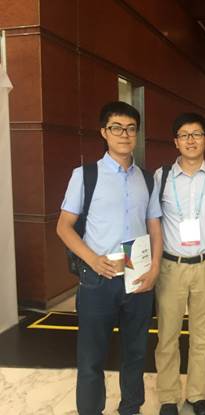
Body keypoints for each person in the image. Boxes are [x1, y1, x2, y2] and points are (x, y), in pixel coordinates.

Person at [56, 101, 162, 415]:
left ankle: (131, 408)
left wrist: (155, 268)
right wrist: (92, 259)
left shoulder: (146, 178)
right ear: (104, 132)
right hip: (97, 279)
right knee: (91, 358)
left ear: (137, 134)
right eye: (117, 128)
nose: (124, 134)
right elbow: (64, 226)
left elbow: (154, 227)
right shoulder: (85, 175)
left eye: (131, 129)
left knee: (136, 353)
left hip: (137, 277)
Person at [154, 113, 205, 415]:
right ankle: (168, 396)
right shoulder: (161, 177)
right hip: (171, 266)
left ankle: (196, 394)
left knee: (203, 336)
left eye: (196, 134)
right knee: (167, 335)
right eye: (184, 135)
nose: (191, 140)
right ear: (176, 142)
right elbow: (152, 222)